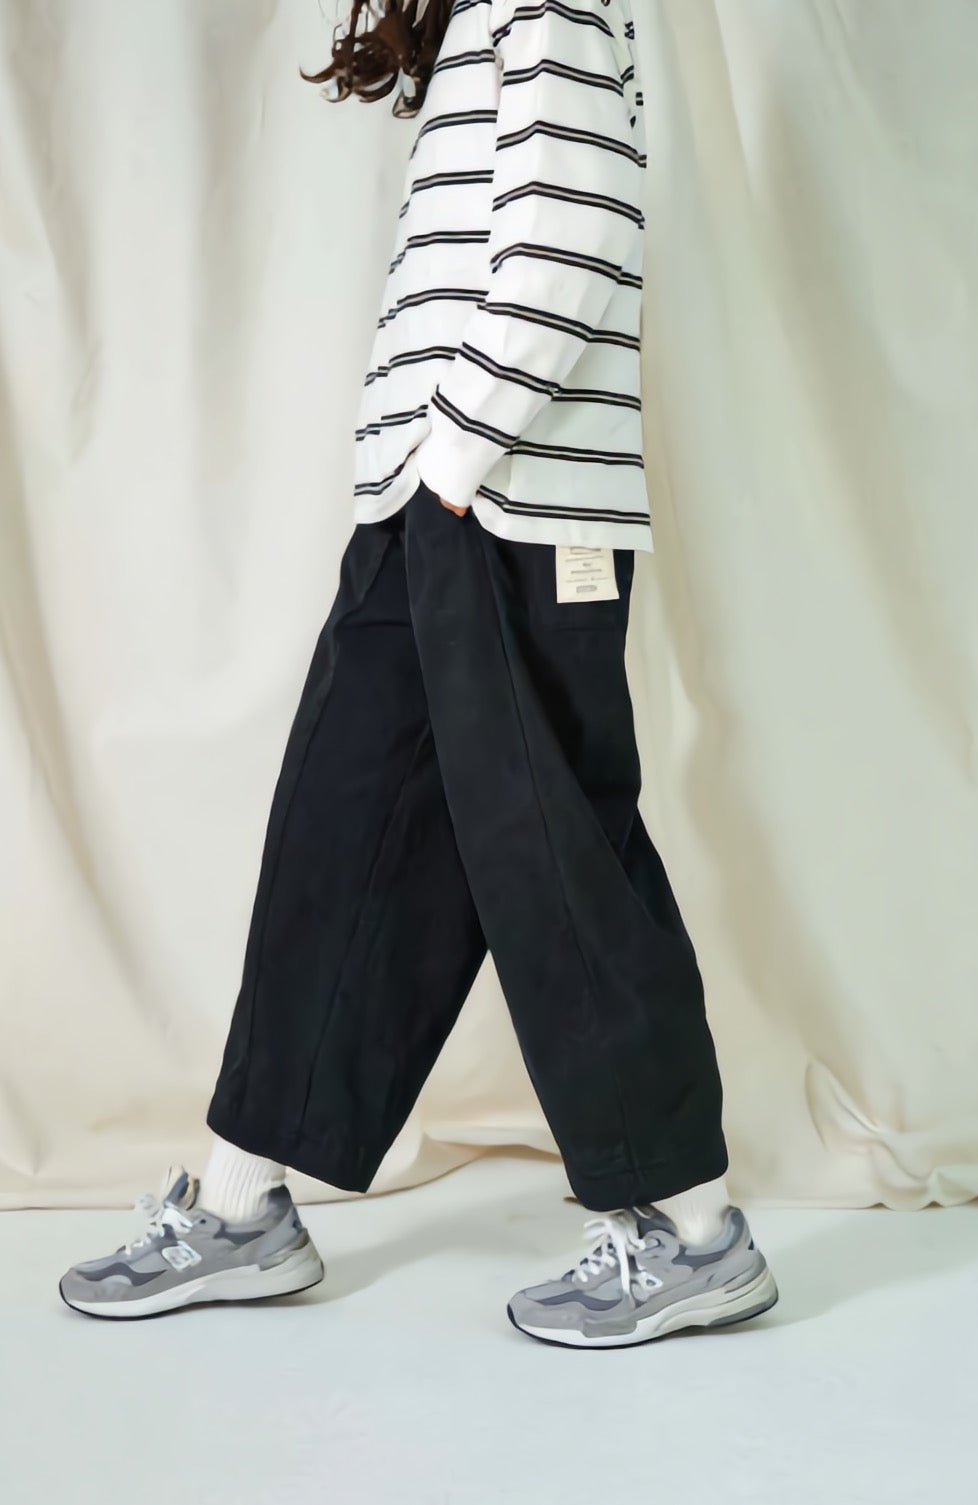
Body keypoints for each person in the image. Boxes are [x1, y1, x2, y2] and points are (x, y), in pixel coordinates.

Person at [60, 0, 778, 1348]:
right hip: (428, 509)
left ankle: (694, 1232)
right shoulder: (484, 18)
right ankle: (240, 1207)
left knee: (556, 863)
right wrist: (417, 481)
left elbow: (575, 233)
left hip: (509, 512)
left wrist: (453, 457)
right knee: (338, 837)